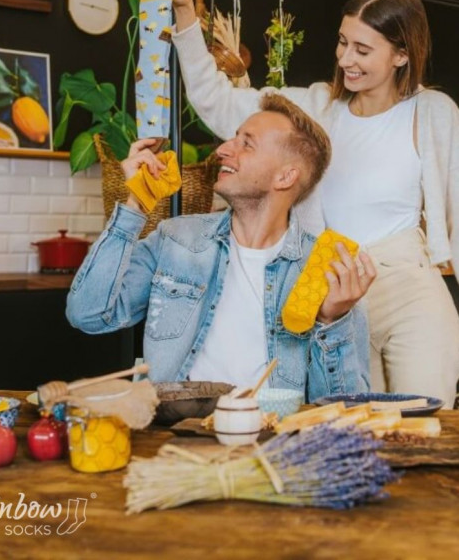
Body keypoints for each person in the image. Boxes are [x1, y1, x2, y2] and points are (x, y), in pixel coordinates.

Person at [141, 0, 459, 407]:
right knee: (355, 427)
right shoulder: (314, 107)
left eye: (363, 49)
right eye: (343, 42)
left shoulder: (433, 112)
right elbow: (217, 102)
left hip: (409, 287)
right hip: (332, 290)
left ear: (401, 55)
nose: (346, 59)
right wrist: (185, 15)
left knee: (429, 424)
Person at [66, 94, 376, 400]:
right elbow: (89, 315)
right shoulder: (176, 239)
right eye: (232, 139)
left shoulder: (324, 272)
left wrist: (332, 320)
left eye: (246, 144)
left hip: (269, 439)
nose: (223, 150)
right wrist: (135, 204)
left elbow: (344, 408)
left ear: (285, 176)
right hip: (179, 435)